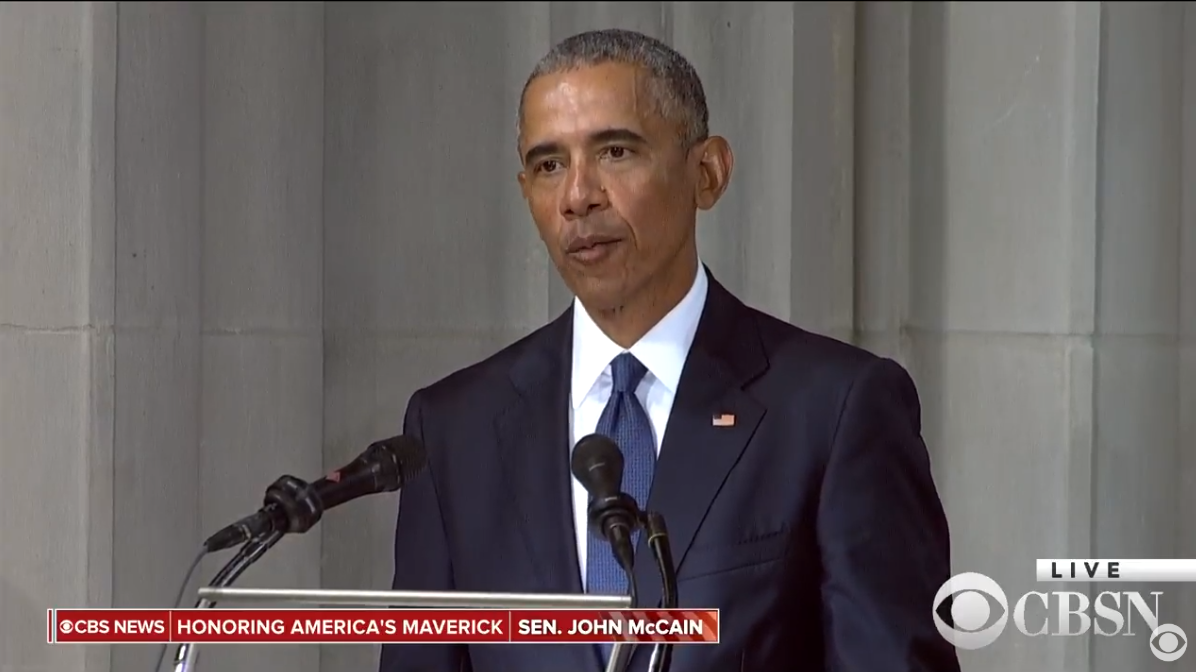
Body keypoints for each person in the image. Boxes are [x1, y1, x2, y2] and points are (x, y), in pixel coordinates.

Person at [379, 28, 960, 672]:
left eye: (616, 152)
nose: (577, 197)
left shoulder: (834, 408)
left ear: (706, 173)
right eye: (549, 165)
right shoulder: (454, 429)